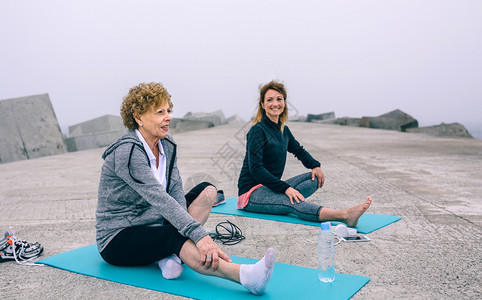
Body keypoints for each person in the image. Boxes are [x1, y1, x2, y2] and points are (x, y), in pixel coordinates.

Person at [95, 82, 274, 295]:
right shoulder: (127, 153)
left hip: (155, 221)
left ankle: (170, 255)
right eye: (159, 112)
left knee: (208, 191)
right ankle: (245, 276)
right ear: (138, 117)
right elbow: (159, 198)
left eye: (168, 110)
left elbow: (175, 190)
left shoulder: (166, 144)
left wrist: (182, 229)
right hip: (119, 235)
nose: (168, 116)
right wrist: (198, 236)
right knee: (174, 237)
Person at [237, 80, 372, 227]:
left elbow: (298, 151)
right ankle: (345, 215)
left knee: (314, 178)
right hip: (251, 194)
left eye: (279, 99)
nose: (275, 103)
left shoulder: (283, 130)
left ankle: (282, 199)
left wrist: (315, 166)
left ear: (284, 103)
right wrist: (286, 189)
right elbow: (256, 169)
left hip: (271, 187)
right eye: (269, 100)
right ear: (263, 105)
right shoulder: (257, 131)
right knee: (294, 202)